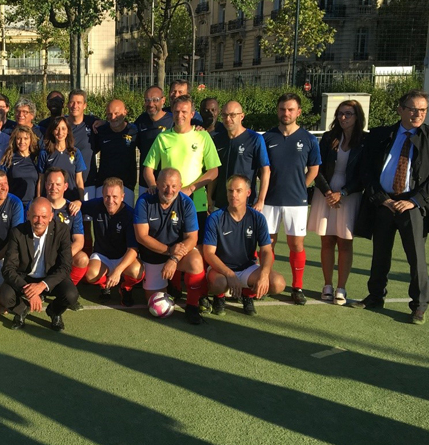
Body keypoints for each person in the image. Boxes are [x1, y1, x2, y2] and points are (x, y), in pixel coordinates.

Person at [353, 90, 429, 324]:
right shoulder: (380, 135)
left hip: (412, 205)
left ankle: (419, 305)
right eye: (413, 109)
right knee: (380, 254)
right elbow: (366, 170)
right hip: (383, 202)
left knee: (416, 258)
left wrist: (414, 200)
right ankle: (376, 296)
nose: (418, 114)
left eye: (423, 110)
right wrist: (381, 199)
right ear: (400, 109)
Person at [262, 93, 321, 305]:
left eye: (290, 109)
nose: (286, 113)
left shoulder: (309, 139)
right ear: (277, 111)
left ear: (298, 112)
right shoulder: (267, 138)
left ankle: (297, 287)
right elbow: (261, 169)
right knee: (267, 244)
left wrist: (299, 187)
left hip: (297, 201)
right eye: (282, 109)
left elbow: (314, 170)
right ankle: (264, 280)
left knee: (296, 244)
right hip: (269, 200)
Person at [307, 100, 366, 306]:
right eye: (340, 113)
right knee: (327, 241)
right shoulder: (328, 138)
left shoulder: (364, 141)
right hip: (325, 195)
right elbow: (317, 168)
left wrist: (343, 192)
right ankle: (327, 285)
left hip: (349, 197)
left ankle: (341, 287)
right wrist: (328, 192)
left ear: (357, 116)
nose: (343, 117)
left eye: (348, 114)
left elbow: (364, 175)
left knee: (345, 242)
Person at [203, 175, 286, 316]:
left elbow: (266, 250)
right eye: (230, 191)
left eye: (238, 191)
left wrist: (264, 275)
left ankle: (247, 295)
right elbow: (209, 253)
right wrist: (229, 274)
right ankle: (219, 297)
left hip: (247, 268)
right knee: (219, 284)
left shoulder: (257, 218)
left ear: (248, 193)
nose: (233, 195)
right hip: (221, 269)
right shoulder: (215, 218)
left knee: (278, 283)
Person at [142, 94, 220, 243]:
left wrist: (191, 188)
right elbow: (148, 168)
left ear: (192, 114)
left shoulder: (202, 136)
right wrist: (153, 185)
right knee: (171, 244)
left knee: (196, 246)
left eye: (184, 112)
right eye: (177, 111)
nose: (180, 115)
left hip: (195, 200)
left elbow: (213, 170)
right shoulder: (163, 137)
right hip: (168, 199)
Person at [134, 168, 208, 325]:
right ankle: (170, 284)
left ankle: (192, 306)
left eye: (174, 186)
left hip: (177, 255)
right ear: (158, 184)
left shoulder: (186, 203)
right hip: (153, 257)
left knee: (196, 261)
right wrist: (168, 251)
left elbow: (192, 238)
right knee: (154, 304)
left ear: (180, 186)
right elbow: (141, 236)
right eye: (166, 185)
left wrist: (174, 258)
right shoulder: (144, 201)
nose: (170, 190)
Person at [0, 197, 78, 331]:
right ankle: (22, 309)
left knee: (71, 295)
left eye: (44, 216)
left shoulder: (62, 230)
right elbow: (8, 268)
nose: (39, 221)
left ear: (51, 216)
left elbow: (65, 266)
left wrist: (42, 286)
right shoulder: (17, 232)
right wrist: (29, 291)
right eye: (35, 216)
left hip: (50, 277)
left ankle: (54, 311)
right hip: (25, 277)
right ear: (28, 215)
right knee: (4, 296)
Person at [81, 177, 143, 306]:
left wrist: (118, 271)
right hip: (102, 256)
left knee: (138, 271)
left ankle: (125, 287)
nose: (110, 201)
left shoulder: (130, 215)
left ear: (122, 197)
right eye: (107, 196)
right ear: (102, 195)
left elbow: (133, 249)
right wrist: (76, 202)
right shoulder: (96, 205)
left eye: (115, 197)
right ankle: (105, 286)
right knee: (91, 274)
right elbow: (79, 206)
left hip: (123, 256)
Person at [209, 101, 270, 212]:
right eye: (224, 115)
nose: (228, 119)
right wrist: (209, 198)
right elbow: (214, 172)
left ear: (242, 116)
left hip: (246, 203)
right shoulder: (217, 140)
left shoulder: (254, 139)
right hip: (221, 203)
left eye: (232, 115)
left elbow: (266, 170)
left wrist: (261, 200)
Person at [43, 168, 88, 291]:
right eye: (50, 184)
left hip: (64, 254)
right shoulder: (37, 206)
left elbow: (79, 241)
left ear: (65, 186)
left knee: (82, 259)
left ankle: (67, 287)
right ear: (45, 185)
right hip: (41, 253)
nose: (54, 187)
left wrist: (63, 256)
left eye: (58, 184)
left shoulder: (72, 209)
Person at [93, 99, 138, 206]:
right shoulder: (101, 131)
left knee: (126, 219)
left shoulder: (134, 131)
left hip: (126, 185)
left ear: (125, 112)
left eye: (116, 113)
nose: (113, 117)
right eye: (109, 114)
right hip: (103, 185)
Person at [37, 116, 86, 205]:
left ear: (68, 131)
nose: (60, 132)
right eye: (57, 129)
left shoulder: (75, 152)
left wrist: (81, 201)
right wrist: (39, 200)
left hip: (71, 201)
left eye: (63, 129)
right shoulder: (45, 153)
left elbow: (79, 179)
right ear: (52, 131)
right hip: (50, 201)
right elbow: (41, 179)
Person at [66, 90, 99, 201]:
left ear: (85, 105)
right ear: (67, 104)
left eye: (79, 102)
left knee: (87, 218)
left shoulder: (92, 122)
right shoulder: (61, 125)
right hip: (66, 184)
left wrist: (103, 122)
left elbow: (113, 123)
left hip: (88, 182)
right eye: (72, 102)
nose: (75, 106)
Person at [135, 86, 169, 189]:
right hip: (145, 183)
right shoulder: (141, 120)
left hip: (168, 185)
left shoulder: (172, 121)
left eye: (155, 100)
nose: (151, 104)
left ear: (163, 100)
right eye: (147, 100)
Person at [0, 124, 40, 208]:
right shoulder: (9, 158)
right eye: (19, 138)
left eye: (26, 138)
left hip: (32, 205)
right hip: (14, 205)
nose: (22, 142)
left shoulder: (36, 158)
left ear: (30, 140)